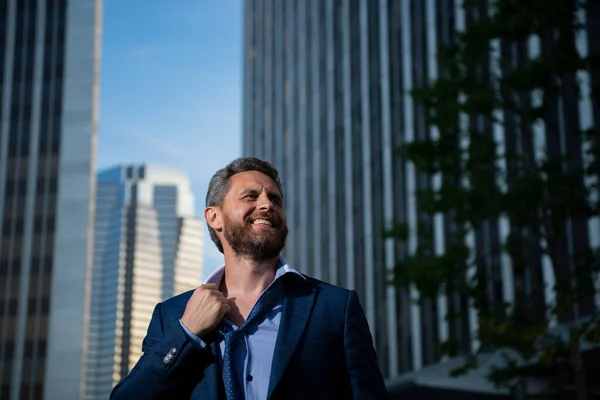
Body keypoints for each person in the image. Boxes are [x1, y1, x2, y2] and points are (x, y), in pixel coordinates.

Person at [110, 157, 390, 399]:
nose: (267, 205)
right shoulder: (171, 316)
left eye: (275, 199)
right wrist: (187, 334)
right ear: (214, 217)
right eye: (251, 196)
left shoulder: (335, 308)